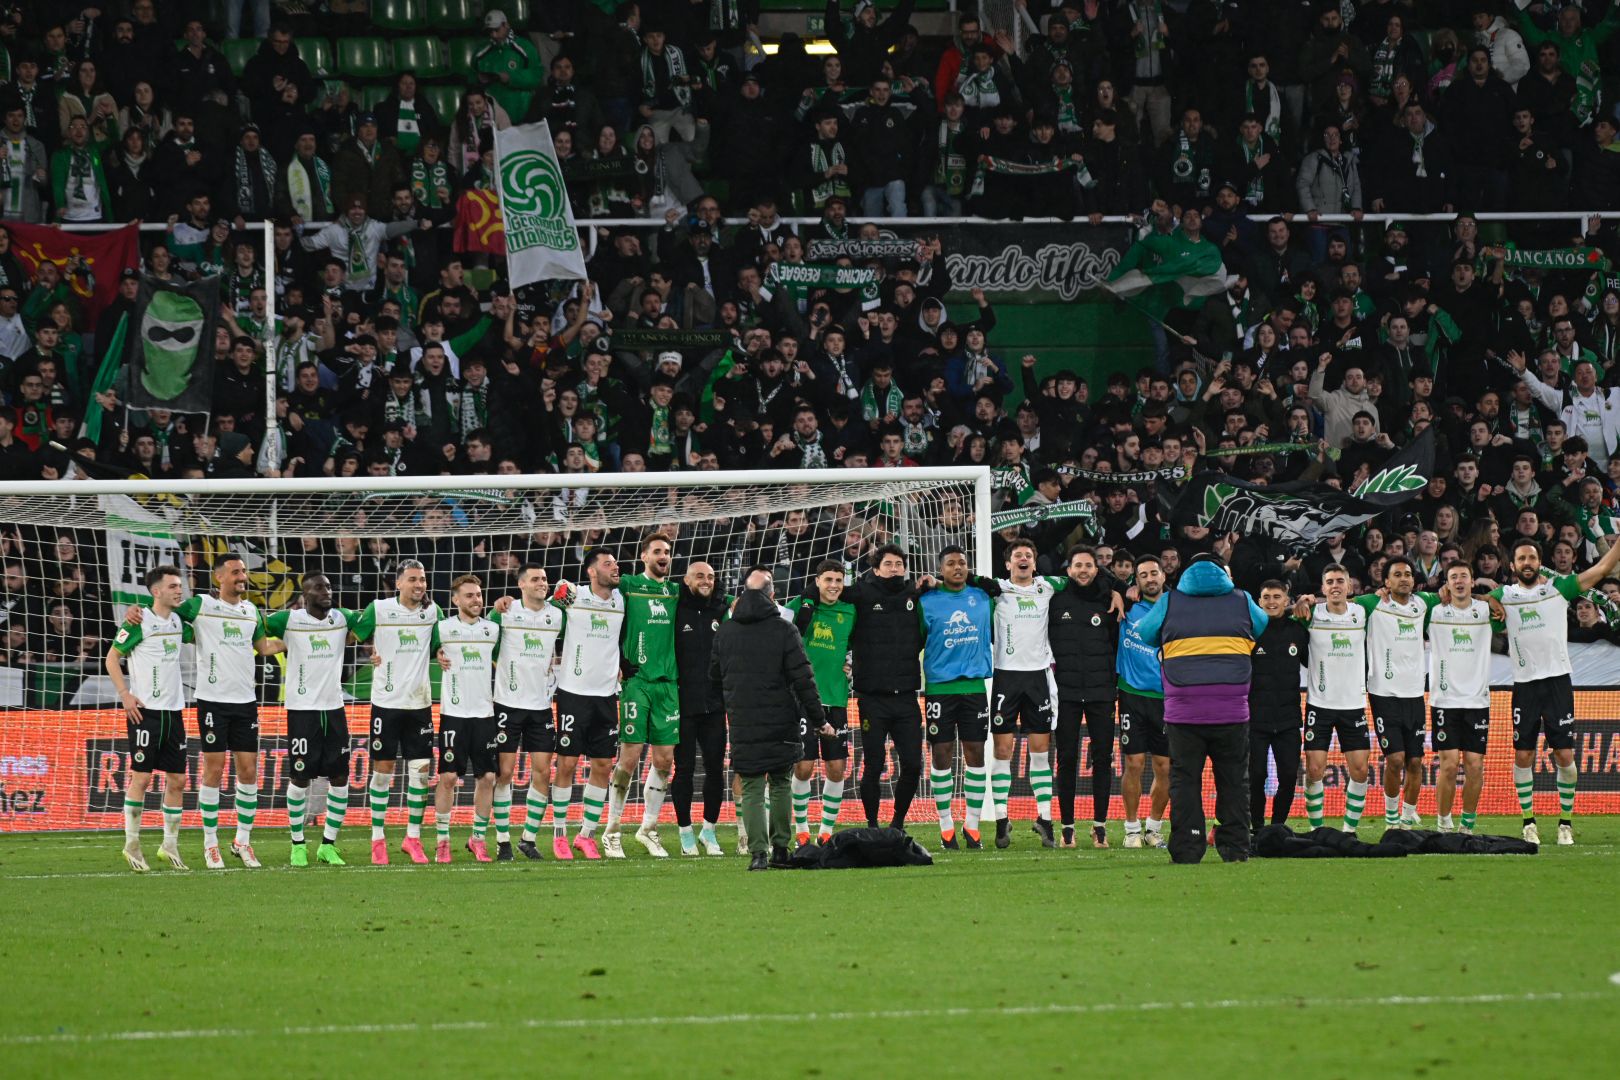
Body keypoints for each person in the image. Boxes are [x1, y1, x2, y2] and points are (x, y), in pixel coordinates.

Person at [128, 554, 280, 869]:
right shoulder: (199, 606)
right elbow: (162, 603)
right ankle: (210, 844)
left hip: (246, 701)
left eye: (243, 572)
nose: (242, 576)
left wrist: (300, 640)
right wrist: (137, 608)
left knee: (249, 770)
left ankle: (243, 841)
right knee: (214, 769)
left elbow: (264, 647)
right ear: (219, 578)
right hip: (212, 700)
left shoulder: (251, 610)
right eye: (235, 572)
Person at [1133, 553, 1268, 863]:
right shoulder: (1242, 599)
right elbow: (1261, 625)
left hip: (1184, 713)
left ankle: (1187, 847)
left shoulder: (1170, 601)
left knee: (1184, 779)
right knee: (1234, 780)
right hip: (1232, 711)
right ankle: (1234, 847)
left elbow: (1144, 632)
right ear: (1223, 572)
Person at [1491, 536, 1620, 844]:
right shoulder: (1505, 594)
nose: (1527, 563)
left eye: (1532, 558)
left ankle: (1565, 823)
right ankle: (1528, 823)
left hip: (1558, 682)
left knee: (1564, 754)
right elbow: (1478, 599)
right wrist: (1490, 600)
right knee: (1523, 754)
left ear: (1540, 563)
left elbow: (1601, 569)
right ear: (1512, 565)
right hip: (1524, 685)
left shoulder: (1558, 589)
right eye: (1521, 558)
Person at [711, 567, 825, 871]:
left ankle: (757, 854)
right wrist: (819, 719)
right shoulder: (785, 630)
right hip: (781, 720)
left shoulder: (725, 632)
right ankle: (780, 850)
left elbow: (713, 677)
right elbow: (804, 679)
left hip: (742, 721)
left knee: (750, 787)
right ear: (772, 596)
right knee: (779, 783)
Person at [352, 560, 443, 865]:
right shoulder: (378, 609)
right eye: (414, 579)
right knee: (382, 773)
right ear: (398, 584)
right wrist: (369, 652)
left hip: (419, 705)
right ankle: (377, 838)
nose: (420, 584)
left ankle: (412, 838)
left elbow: (440, 644)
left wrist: (441, 653)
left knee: (420, 775)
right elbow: (353, 633)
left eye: (423, 579)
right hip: (386, 704)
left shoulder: (433, 612)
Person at [264, 572, 356, 867]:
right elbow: (253, 624)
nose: (326, 591)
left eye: (328, 586)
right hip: (302, 710)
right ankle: (297, 844)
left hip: (334, 708)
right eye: (319, 587)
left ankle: (328, 845)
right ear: (305, 596)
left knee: (340, 777)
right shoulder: (287, 620)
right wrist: (274, 645)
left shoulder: (342, 618)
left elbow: (372, 621)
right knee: (300, 777)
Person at [107, 564, 191, 873]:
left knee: (178, 780)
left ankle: (169, 845)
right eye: (172, 586)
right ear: (156, 592)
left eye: (179, 585)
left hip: (174, 711)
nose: (179, 590)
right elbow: (112, 658)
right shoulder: (139, 620)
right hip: (145, 712)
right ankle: (131, 845)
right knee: (141, 778)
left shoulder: (181, 621)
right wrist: (124, 694)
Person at [602, 533, 680, 859]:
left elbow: (708, 591)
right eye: (657, 551)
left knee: (664, 760)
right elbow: (598, 590)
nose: (663, 556)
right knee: (630, 757)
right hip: (637, 681)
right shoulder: (629, 585)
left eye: (667, 552)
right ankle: (612, 830)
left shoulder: (675, 591)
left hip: (669, 684)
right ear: (644, 556)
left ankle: (647, 828)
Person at [988, 538, 1067, 848]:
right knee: (1003, 751)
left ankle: (1045, 819)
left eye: (1028, 555)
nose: (1023, 559)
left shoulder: (1048, 586)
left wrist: (1113, 590)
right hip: (1005, 677)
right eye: (1017, 555)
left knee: (1040, 750)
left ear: (1035, 563)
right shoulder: (995, 589)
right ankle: (1001, 819)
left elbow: (1081, 580)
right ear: (1008, 564)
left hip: (1038, 677)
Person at [844, 543, 928, 830]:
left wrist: (933, 583)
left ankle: (897, 822)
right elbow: (828, 596)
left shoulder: (914, 595)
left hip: (907, 698)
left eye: (899, 564)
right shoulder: (860, 593)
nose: (895, 569)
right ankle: (872, 825)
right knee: (874, 765)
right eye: (889, 564)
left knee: (914, 766)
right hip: (872, 699)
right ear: (876, 568)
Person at [551, 548, 626, 859]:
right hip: (573, 692)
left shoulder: (623, 599)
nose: (615, 567)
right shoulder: (573, 594)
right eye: (607, 564)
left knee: (603, 765)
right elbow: (543, 602)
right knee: (567, 763)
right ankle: (559, 834)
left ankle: (586, 835)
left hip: (607, 695)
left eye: (615, 562)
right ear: (592, 572)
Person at [916, 546, 993, 850]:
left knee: (975, 753)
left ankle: (972, 825)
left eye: (962, 563)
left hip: (974, 688)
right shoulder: (926, 601)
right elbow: (916, 638)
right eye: (950, 563)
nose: (957, 568)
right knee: (941, 754)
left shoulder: (984, 598)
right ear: (941, 569)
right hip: (939, 688)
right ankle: (945, 825)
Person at [1048, 545, 1122, 849]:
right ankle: (1067, 827)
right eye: (1077, 565)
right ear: (1068, 570)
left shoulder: (1108, 600)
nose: (1083, 571)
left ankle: (1099, 826)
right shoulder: (1055, 600)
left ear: (1096, 569)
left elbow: (1116, 645)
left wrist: (1116, 587)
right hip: (1064, 693)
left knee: (1102, 759)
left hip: (1101, 692)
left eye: (1089, 566)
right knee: (1065, 760)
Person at [492, 563, 566, 861]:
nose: (542, 583)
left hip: (541, 706)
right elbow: (480, 635)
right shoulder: (505, 611)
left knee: (542, 772)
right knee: (505, 773)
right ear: (520, 584)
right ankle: (502, 840)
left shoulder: (557, 615)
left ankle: (529, 837)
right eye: (535, 579)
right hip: (507, 704)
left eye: (545, 579)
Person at [1422, 563, 1499, 835]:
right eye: (1453, 577)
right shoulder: (1435, 611)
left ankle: (1467, 825)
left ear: (1471, 581)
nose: (1458, 581)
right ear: (1447, 583)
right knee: (1449, 764)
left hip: (1477, 701)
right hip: (1445, 701)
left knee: (1475, 765)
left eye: (1463, 576)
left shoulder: (1485, 610)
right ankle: (1443, 822)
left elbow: (1507, 596)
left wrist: (1488, 595)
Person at [786, 560, 857, 846]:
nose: (834, 586)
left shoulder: (850, 611)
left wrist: (852, 662)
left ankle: (826, 831)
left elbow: (855, 645)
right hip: (802, 699)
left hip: (836, 698)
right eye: (828, 580)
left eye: (839, 580)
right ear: (817, 581)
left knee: (836, 768)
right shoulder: (800, 604)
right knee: (803, 767)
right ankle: (802, 829)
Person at [1295, 565, 1372, 832]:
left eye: (1341, 580)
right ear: (1323, 588)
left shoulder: (1362, 611)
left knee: (1361, 770)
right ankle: (1318, 831)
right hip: (1320, 704)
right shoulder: (1311, 613)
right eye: (1330, 582)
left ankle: (1349, 831)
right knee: (1314, 770)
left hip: (1353, 704)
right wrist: (1299, 602)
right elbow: (1285, 614)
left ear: (1350, 586)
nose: (1336, 585)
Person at [430, 575, 500, 863]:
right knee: (447, 777)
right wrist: (436, 652)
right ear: (456, 600)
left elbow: (506, 658)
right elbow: (426, 648)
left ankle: (478, 839)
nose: (476, 600)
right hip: (453, 715)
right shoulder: (442, 628)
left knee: (489, 778)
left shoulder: (493, 629)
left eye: (479, 595)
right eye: (469, 596)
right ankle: (443, 841)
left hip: (484, 714)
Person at [1366, 556, 1434, 832]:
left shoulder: (1424, 603)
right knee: (1394, 760)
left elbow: (1454, 593)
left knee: (1416, 761)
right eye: (1397, 574)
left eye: (1407, 573)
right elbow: (1338, 606)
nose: (1404, 578)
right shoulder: (1372, 604)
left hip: (1415, 692)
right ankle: (1392, 817)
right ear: (1386, 581)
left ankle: (1409, 814)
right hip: (1383, 692)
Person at [673, 561, 729, 856]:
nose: (706, 581)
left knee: (715, 770)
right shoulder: (676, 609)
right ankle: (685, 833)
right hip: (682, 704)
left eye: (710, 576)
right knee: (683, 770)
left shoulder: (722, 610)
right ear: (686, 579)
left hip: (715, 705)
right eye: (699, 576)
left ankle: (709, 830)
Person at [1117, 556, 1169, 849]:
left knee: (1164, 767)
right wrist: (1117, 590)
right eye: (1143, 575)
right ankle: (1131, 828)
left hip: (1167, 697)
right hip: (1132, 695)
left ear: (1163, 576)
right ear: (1135, 580)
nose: (1150, 578)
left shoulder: (1176, 606)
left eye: (1154, 573)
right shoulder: (1127, 607)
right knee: (1133, 763)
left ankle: (1154, 828)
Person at [1247, 580, 1307, 827]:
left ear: (1286, 600)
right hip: (1254, 719)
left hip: (1288, 719)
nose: (1271, 602)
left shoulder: (1298, 631)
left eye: (1276, 597)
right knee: (1255, 777)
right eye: (1266, 597)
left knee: (1289, 776)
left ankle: (1278, 827)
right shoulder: (1249, 631)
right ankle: (1258, 829)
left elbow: (1315, 663)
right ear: (1259, 602)